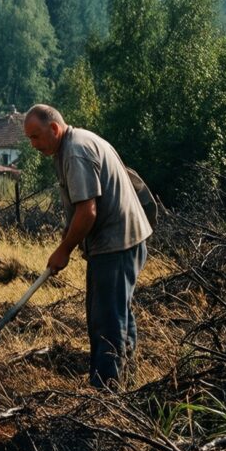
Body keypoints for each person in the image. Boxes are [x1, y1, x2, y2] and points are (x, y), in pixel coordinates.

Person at [23, 104, 152, 390]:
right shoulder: (73, 144)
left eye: (35, 137)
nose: (33, 145)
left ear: (54, 128)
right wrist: (68, 237)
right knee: (115, 312)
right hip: (119, 241)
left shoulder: (76, 150)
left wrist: (64, 250)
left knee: (107, 319)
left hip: (117, 244)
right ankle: (124, 380)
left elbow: (87, 212)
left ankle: (105, 391)